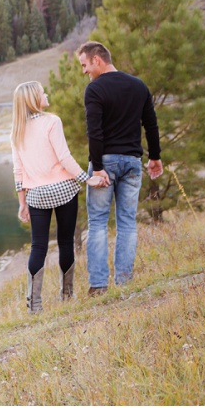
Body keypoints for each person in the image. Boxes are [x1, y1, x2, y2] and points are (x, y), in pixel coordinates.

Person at [76, 41, 163, 295]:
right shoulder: (139, 86)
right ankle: (124, 281)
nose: (84, 71)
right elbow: (151, 125)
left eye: (84, 65)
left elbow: (94, 132)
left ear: (97, 60)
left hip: (106, 162)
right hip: (133, 163)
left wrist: (99, 168)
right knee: (127, 223)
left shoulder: (95, 89)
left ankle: (99, 286)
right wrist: (155, 157)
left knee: (98, 223)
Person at [11, 81, 104, 313]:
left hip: (37, 196)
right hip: (64, 190)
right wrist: (87, 178)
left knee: (38, 246)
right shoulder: (52, 121)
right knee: (65, 242)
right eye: (43, 92)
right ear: (34, 99)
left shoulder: (16, 131)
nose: (46, 94)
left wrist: (22, 203)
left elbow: (18, 171)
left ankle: (34, 305)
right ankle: (67, 295)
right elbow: (64, 157)